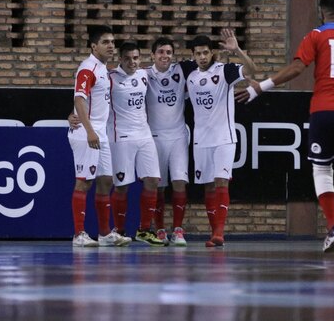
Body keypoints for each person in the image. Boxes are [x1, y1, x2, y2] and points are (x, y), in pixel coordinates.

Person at [237, 0, 334, 253]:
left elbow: (297, 68)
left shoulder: (316, 35)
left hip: (324, 109)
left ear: (322, 11)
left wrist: (260, 87)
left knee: (322, 169)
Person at [187, 29, 256, 247]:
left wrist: (237, 50)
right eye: (198, 54)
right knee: (207, 186)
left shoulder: (224, 71)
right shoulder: (191, 77)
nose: (202, 57)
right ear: (193, 55)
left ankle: (219, 232)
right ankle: (213, 233)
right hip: (200, 139)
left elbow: (253, 69)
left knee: (221, 181)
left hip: (224, 137)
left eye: (206, 53)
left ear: (212, 53)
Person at [68, 25, 132, 248]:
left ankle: (104, 233)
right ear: (93, 46)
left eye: (113, 42)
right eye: (105, 42)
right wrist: (89, 130)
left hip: (100, 134)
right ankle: (79, 235)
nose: (111, 46)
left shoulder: (104, 69)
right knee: (83, 183)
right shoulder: (88, 69)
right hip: (88, 133)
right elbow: (79, 100)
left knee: (106, 181)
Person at [107, 41, 165, 246]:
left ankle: (144, 230)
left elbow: (167, 69)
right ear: (120, 59)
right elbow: (90, 98)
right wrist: (73, 115)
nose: (132, 62)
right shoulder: (110, 78)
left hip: (144, 135)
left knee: (152, 181)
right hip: (121, 137)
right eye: (128, 58)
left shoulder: (144, 74)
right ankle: (120, 230)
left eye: (136, 58)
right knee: (122, 186)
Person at [145, 37, 197, 246]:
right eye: (160, 52)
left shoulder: (182, 70)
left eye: (168, 52)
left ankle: (177, 230)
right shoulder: (144, 74)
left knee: (179, 182)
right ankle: (159, 229)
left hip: (178, 137)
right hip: (154, 137)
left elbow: (208, 63)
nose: (164, 56)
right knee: (158, 186)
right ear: (153, 55)